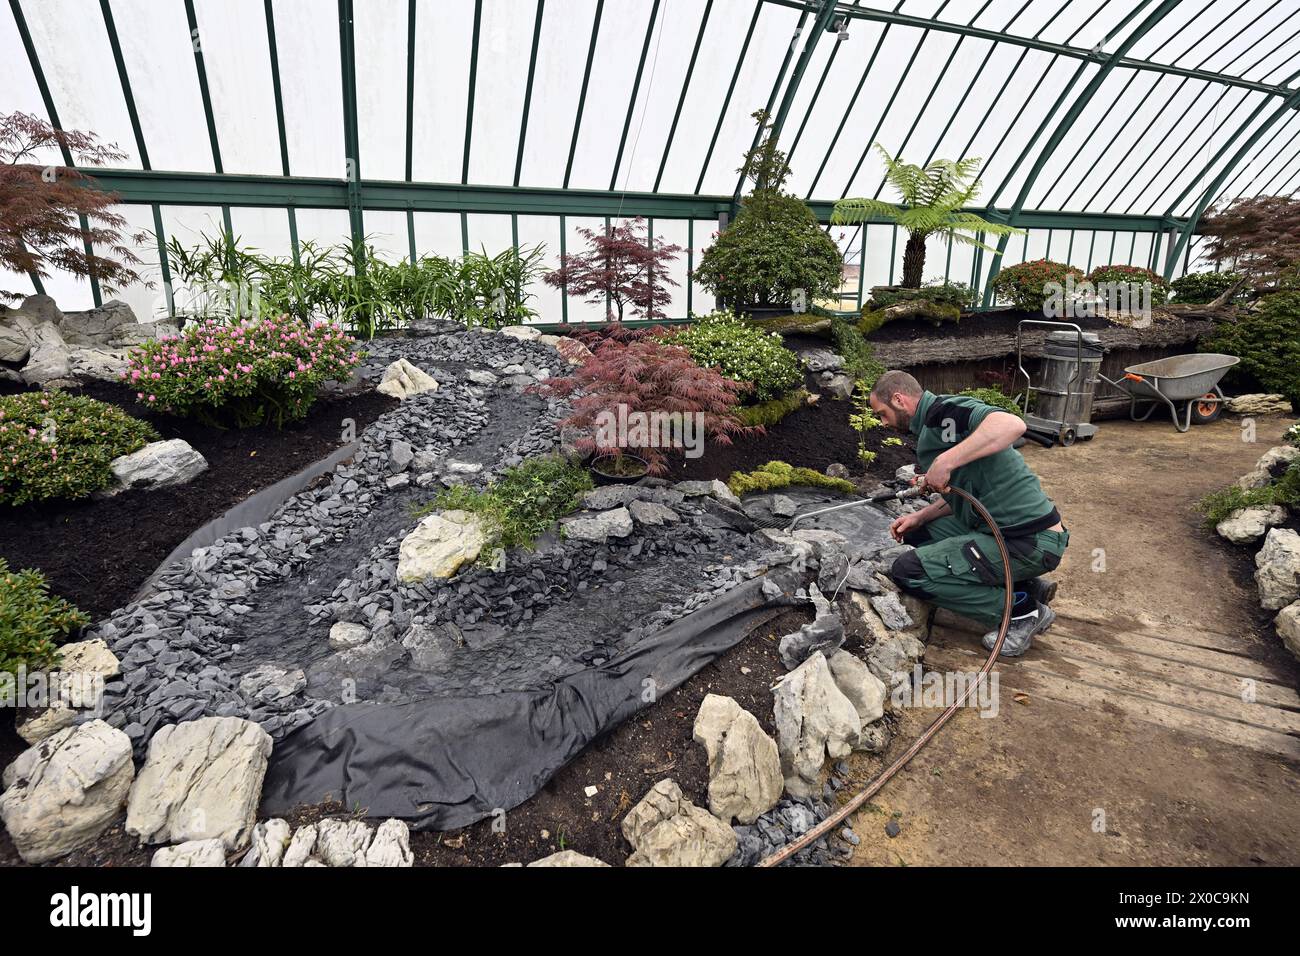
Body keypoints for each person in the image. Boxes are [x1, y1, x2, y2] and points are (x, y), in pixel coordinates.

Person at [868, 370, 1069, 657]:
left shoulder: (945, 412)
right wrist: (920, 517)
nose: (882, 423)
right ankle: (1024, 583)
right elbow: (965, 494)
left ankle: (1021, 611)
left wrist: (946, 460)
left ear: (899, 400)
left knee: (909, 571)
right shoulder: (930, 429)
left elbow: (1011, 424)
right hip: (1000, 531)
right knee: (915, 532)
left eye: (882, 414)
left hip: (1028, 540)